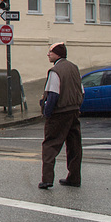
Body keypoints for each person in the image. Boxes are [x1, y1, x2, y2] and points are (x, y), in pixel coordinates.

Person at [38, 42, 84, 189]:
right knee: (74, 145)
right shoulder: (74, 68)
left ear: (57, 54)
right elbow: (81, 91)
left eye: (50, 52)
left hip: (59, 113)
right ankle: (74, 178)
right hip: (74, 111)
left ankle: (47, 179)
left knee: (50, 145)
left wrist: (47, 112)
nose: (48, 54)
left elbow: (53, 95)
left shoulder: (55, 71)